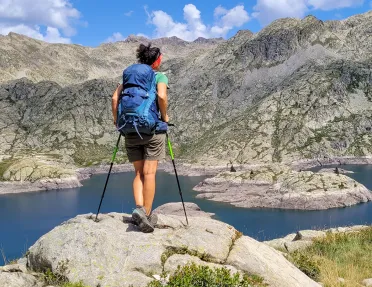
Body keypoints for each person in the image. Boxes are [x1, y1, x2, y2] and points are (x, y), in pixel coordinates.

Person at [111, 43, 169, 233]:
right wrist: (165, 117)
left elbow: (114, 98)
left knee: (138, 174)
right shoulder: (159, 76)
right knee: (150, 173)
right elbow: (161, 96)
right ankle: (148, 214)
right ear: (157, 60)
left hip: (129, 129)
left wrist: (116, 120)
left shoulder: (129, 77)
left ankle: (138, 208)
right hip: (152, 130)